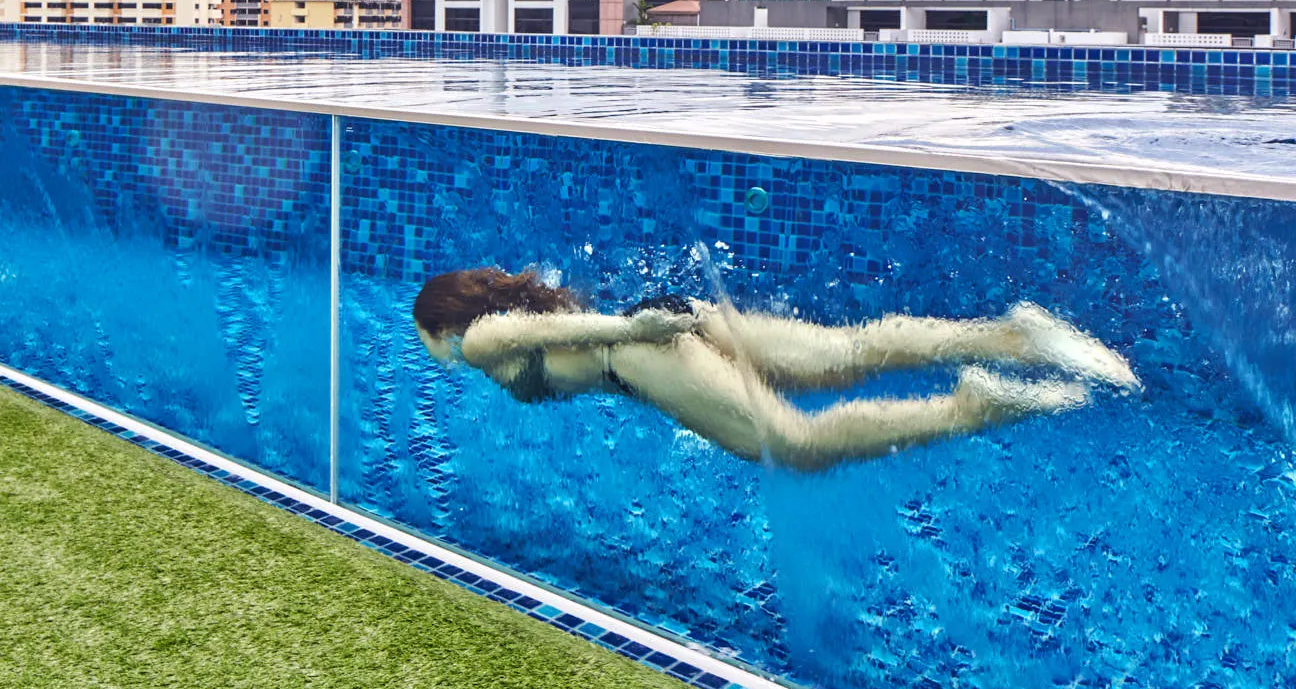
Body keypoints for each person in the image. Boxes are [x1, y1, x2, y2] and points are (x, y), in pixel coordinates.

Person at [412, 267, 1138, 473]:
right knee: (843, 353)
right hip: (679, 315)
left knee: (793, 442)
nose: (432, 351)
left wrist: (631, 328)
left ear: (442, 323)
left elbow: (548, 330)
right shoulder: (516, 297)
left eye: (426, 338)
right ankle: (1013, 335)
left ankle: (969, 406)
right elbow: (548, 317)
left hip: (640, 347)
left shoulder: (480, 342)